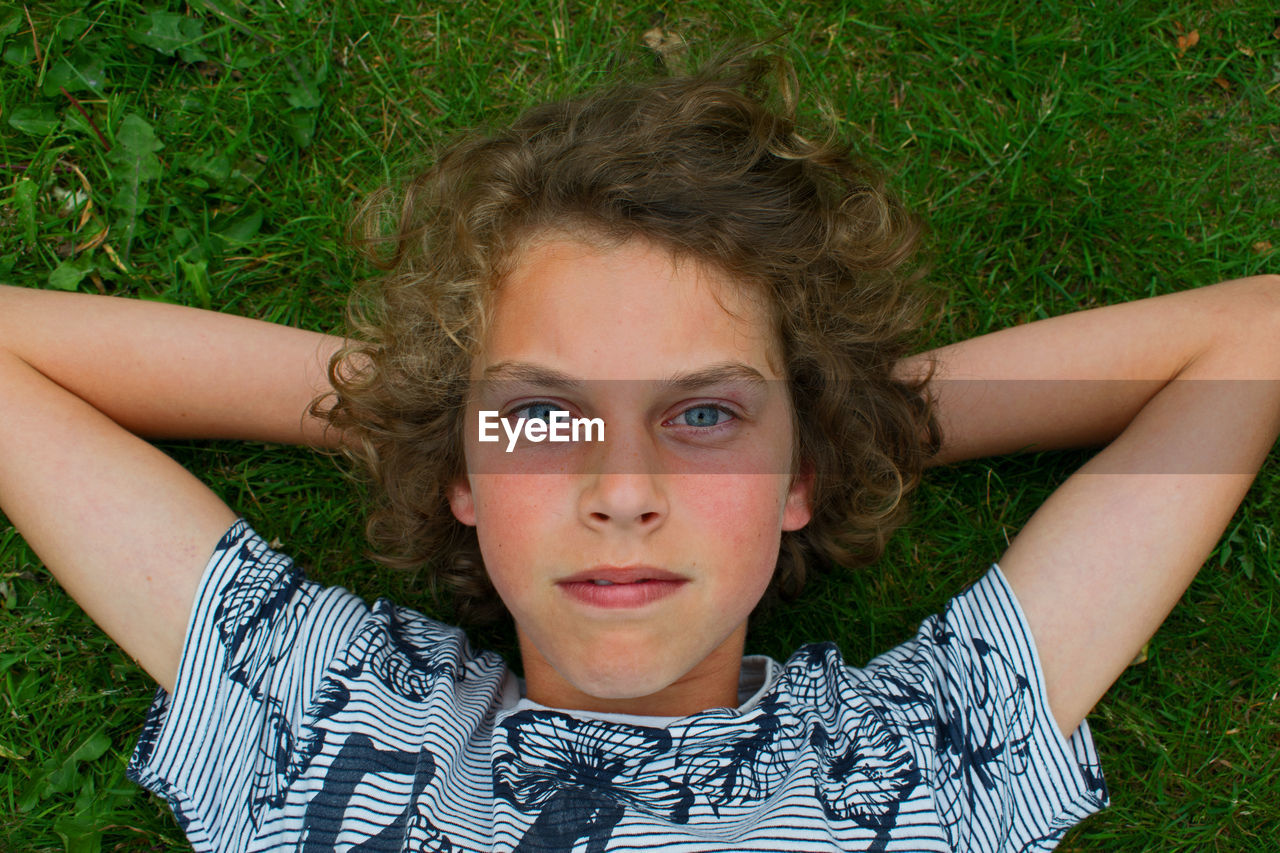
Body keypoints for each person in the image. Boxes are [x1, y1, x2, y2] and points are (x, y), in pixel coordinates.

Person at [1, 53, 1276, 852]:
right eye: (546, 419)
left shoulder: (911, 762)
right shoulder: (338, 725)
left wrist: (840, 422)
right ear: (463, 471)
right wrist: (422, 408)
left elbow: (1252, 337)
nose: (620, 491)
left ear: (797, 480)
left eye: (701, 418)